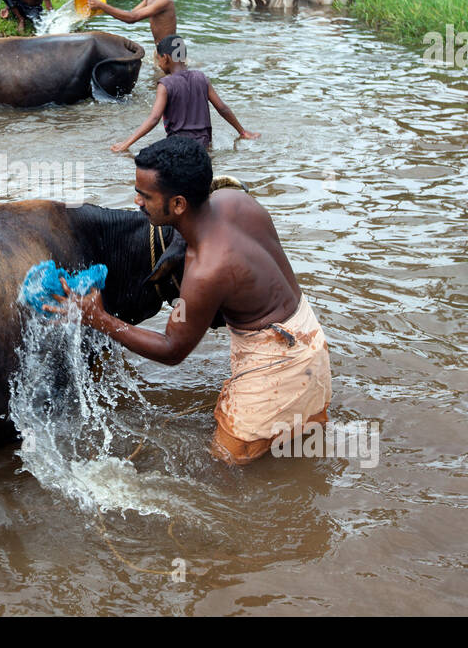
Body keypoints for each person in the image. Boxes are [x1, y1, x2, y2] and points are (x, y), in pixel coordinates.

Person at [47, 137, 332, 466]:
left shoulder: (207, 271)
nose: (137, 201)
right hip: (307, 333)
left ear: (179, 204)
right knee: (298, 445)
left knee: (225, 466)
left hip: (278, 365)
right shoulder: (234, 201)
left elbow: (172, 350)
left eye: (146, 196)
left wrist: (98, 318)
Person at [111, 34, 259, 152]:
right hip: (204, 147)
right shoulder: (202, 78)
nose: (159, 64)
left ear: (166, 57)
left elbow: (154, 118)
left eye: (159, 59)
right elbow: (223, 108)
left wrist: (126, 143)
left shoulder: (165, 84)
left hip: (178, 147)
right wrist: (243, 132)